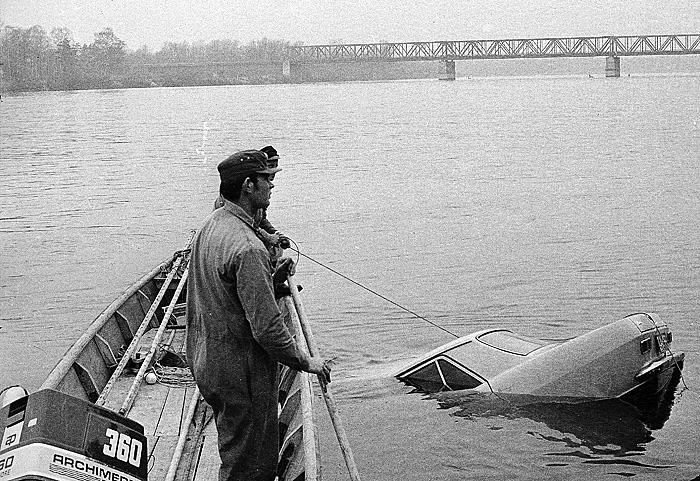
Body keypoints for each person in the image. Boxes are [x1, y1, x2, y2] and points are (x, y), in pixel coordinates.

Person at [186, 149, 331, 481]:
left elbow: (226, 292)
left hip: (209, 363)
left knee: (236, 452)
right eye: (267, 179)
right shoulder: (249, 248)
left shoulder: (212, 224)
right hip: (243, 374)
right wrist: (307, 362)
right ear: (249, 185)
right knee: (251, 468)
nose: (272, 186)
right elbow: (268, 329)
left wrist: (271, 278)